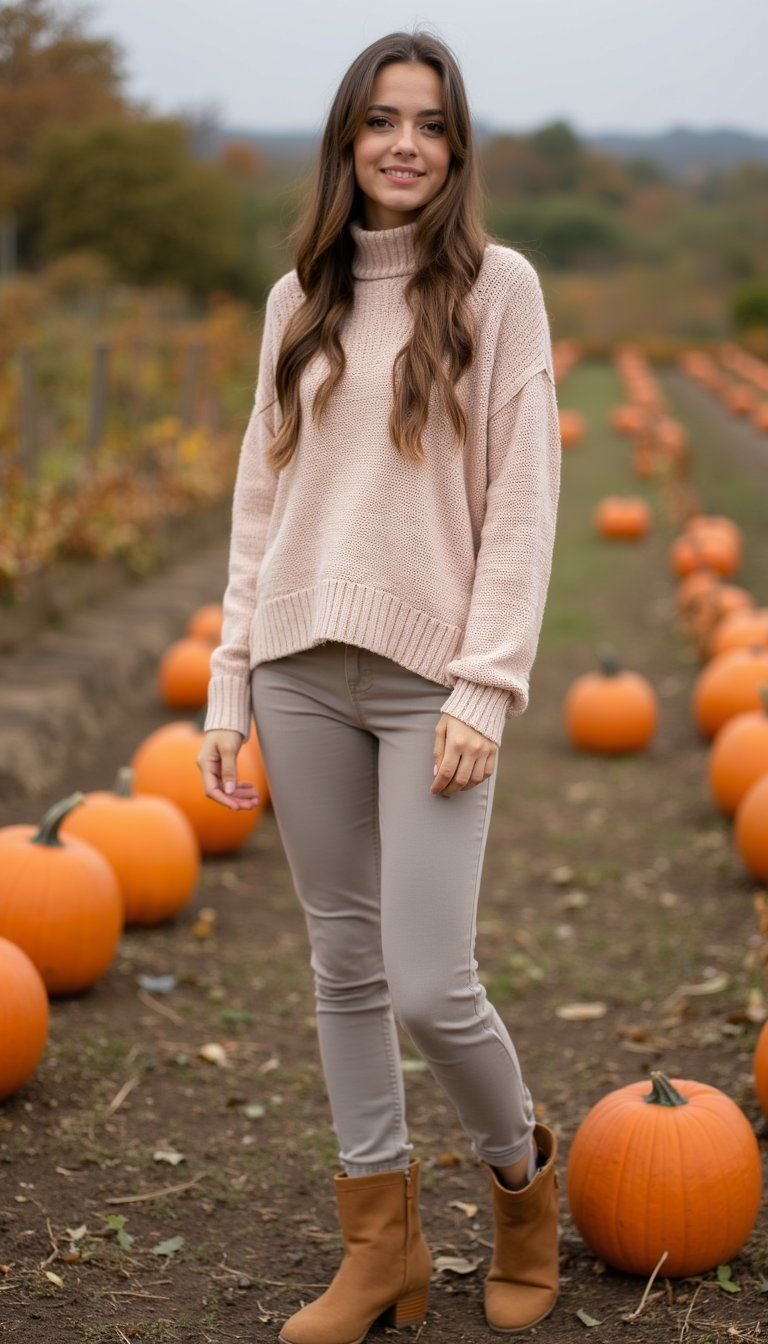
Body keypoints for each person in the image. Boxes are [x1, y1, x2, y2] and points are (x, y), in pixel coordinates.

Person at [196, 26, 562, 1343]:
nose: (405, 144)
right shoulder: (301, 301)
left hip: (430, 685)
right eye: (382, 121)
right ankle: (381, 1250)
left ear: (456, 148)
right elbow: (258, 499)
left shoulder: (498, 290)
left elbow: (522, 503)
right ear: (348, 140)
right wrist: (231, 679)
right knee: (342, 966)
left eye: (430, 123)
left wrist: (487, 684)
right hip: (297, 666)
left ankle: (522, 1183)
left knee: (428, 981)